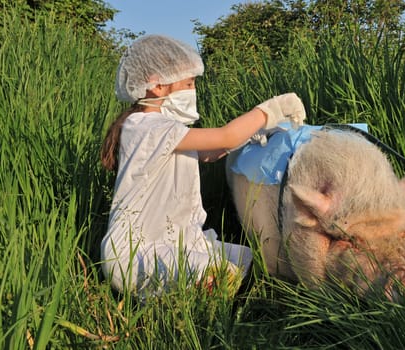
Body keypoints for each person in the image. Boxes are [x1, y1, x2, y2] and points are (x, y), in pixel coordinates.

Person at [99, 34, 305, 296]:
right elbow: (225, 135)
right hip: (134, 253)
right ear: (156, 85)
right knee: (220, 275)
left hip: (175, 241)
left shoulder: (166, 128)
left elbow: (211, 152)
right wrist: (270, 110)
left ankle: (205, 295)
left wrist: (255, 134)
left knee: (249, 260)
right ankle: (194, 319)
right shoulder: (145, 127)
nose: (192, 90)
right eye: (188, 83)